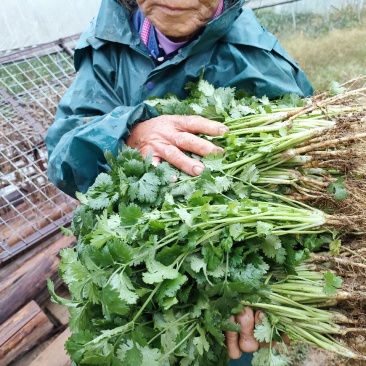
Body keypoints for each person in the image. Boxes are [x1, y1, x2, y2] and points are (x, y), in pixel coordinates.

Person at [46, 0, 313, 363]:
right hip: (128, 280)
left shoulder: (261, 65)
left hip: (218, 311)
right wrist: (125, 133)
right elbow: (63, 154)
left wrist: (270, 290)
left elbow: (303, 196)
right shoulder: (110, 41)